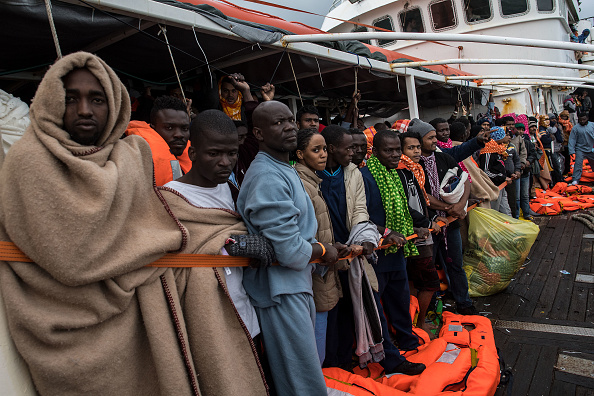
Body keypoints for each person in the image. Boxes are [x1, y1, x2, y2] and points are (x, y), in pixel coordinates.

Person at [0, 52, 268, 395]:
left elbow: (159, 235)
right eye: (71, 98)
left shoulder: (131, 160)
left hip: (138, 316)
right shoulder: (26, 162)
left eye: (97, 99)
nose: (85, 110)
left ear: (114, 104)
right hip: (53, 320)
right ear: (51, 100)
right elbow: (66, 258)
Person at [237, 100, 339, 396]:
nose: (289, 127)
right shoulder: (267, 175)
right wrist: (323, 250)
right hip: (281, 291)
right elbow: (292, 253)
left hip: (294, 285)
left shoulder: (283, 167)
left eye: (290, 121)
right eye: (278, 123)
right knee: (301, 380)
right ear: (258, 132)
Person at [359, 129, 426, 375]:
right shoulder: (364, 177)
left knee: (400, 301)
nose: (396, 154)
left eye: (398, 149)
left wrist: (416, 228)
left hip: (396, 253)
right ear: (375, 152)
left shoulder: (395, 175)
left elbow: (405, 211)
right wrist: (386, 233)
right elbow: (359, 217)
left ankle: (407, 340)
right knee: (377, 310)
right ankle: (391, 359)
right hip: (376, 256)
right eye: (389, 150)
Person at [294, 128, 349, 365]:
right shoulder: (301, 184)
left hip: (323, 265)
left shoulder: (313, 181)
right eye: (316, 150)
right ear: (299, 154)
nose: (323, 154)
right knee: (317, 331)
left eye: (324, 149)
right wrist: (324, 250)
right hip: (314, 268)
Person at [411, 119, 477, 315]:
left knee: (456, 264)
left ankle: (464, 303)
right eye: (430, 137)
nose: (435, 140)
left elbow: (464, 180)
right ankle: (430, 310)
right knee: (428, 271)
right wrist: (450, 208)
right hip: (429, 227)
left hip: (451, 225)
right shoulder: (413, 165)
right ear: (419, 140)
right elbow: (422, 195)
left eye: (434, 136)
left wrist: (460, 205)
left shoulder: (444, 158)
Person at [398, 131, 446, 335]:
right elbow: (404, 206)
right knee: (428, 283)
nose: (416, 151)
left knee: (415, 283)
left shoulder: (415, 169)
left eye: (418, 147)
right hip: (415, 236)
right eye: (411, 148)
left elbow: (421, 200)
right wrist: (426, 221)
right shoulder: (400, 171)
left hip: (421, 232)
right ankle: (419, 324)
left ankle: (413, 322)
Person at [125, 95, 192, 186]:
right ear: (153, 128)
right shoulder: (134, 161)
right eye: (169, 128)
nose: (179, 135)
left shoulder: (196, 157)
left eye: (184, 128)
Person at [479, 126, 512, 216]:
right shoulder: (487, 151)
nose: (507, 137)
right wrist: (503, 177)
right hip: (493, 187)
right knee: (495, 212)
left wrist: (509, 175)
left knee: (506, 211)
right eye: (504, 135)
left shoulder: (497, 149)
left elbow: (499, 167)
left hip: (501, 185)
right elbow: (485, 171)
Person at [568, 113, 594, 186]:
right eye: (580, 120)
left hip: (591, 148)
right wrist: (571, 151)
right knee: (578, 164)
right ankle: (576, 179)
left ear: (587, 118)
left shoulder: (592, 125)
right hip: (580, 149)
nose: (582, 121)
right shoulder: (575, 128)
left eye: (584, 119)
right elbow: (572, 139)